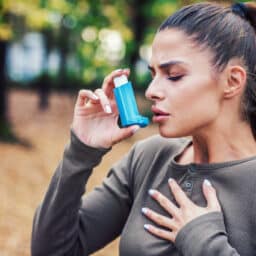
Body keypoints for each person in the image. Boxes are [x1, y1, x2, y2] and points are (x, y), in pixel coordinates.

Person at [31, 2, 256, 256]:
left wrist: (202, 240)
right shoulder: (149, 158)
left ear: (232, 81)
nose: (151, 91)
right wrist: (80, 151)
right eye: (153, 75)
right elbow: (52, 250)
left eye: (173, 75)